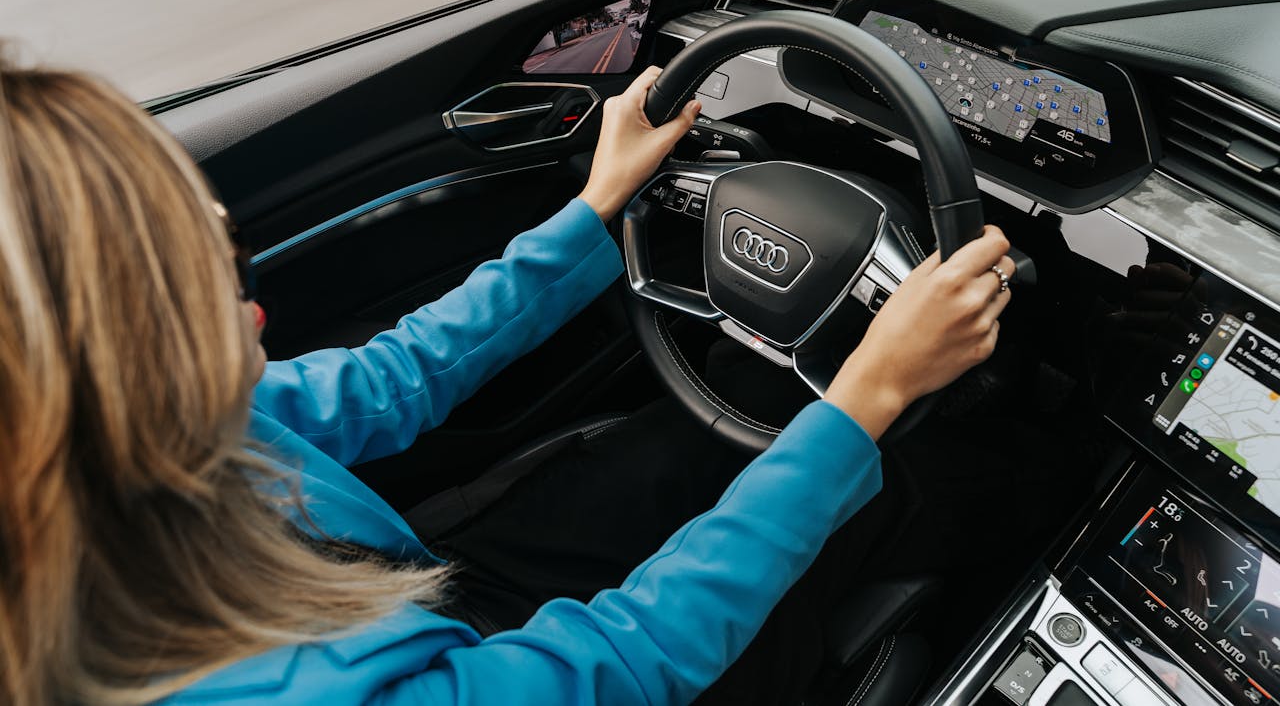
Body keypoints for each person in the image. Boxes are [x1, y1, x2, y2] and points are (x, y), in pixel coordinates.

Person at [0, 60, 1013, 706]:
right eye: (210, 277)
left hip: (409, 609)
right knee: (911, 488)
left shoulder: (144, 429)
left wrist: (595, 207)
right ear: (110, 358)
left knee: (693, 443)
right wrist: (866, 399)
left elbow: (388, 381)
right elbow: (623, 662)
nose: (253, 306)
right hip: (509, 673)